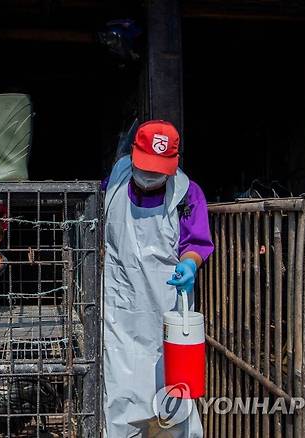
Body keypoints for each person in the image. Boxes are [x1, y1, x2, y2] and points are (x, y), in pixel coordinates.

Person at [103, 120, 213, 437]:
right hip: (122, 302)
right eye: (145, 166)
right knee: (122, 379)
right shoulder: (114, 183)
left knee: (172, 379)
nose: (150, 175)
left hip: (167, 301)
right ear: (133, 156)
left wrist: (189, 264)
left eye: (158, 169)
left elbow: (196, 243)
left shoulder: (187, 194)